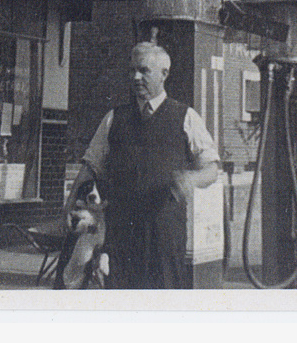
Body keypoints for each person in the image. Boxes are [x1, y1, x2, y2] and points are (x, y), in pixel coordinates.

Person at [63, 41, 220, 288]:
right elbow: (91, 165)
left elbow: (212, 168)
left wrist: (192, 179)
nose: (136, 77)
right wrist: (71, 201)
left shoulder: (185, 117)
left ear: (164, 74)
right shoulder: (114, 118)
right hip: (121, 235)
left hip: (164, 236)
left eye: (144, 70)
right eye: (132, 70)